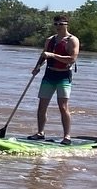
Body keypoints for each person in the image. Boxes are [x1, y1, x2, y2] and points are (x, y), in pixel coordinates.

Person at [29, 14, 79, 143]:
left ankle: (67, 136)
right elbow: (44, 55)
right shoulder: (50, 40)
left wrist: (53, 55)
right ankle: (40, 133)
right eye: (55, 24)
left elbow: (72, 59)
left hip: (63, 76)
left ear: (67, 24)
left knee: (63, 107)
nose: (58, 27)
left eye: (61, 24)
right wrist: (37, 67)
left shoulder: (72, 40)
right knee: (42, 106)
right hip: (49, 75)